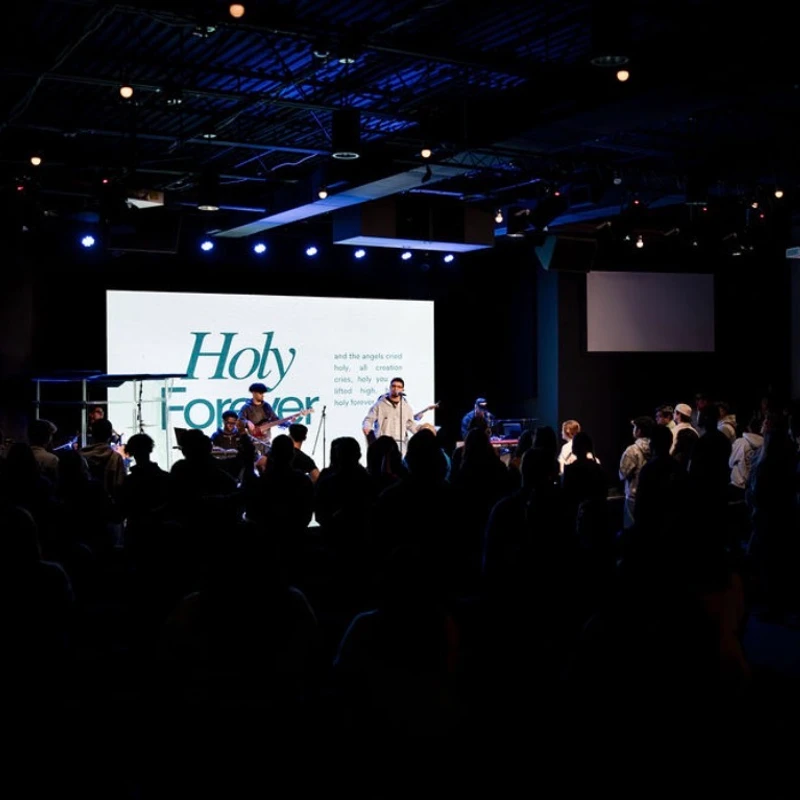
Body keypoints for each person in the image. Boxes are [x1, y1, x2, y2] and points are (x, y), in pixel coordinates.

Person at [362, 377, 420, 454]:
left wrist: (421, 434)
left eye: (399, 387)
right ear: (390, 388)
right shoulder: (379, 404)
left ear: (402, 390)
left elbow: (410, 424)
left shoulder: (406, 407)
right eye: (393, 386)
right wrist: (367, 426)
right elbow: (369, 419)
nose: (395, 388)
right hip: (383, 442)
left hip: (400, 443)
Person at [238, 382, 280, 452]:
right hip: (253, 442)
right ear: (254, 393)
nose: (263, 395)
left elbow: (275, 419)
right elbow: (239, 420)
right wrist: (247, 422)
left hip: (266, 442)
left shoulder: (266, 406)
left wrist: (289, 421)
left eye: (263, 393)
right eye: (260, 393)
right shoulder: (246, 407)